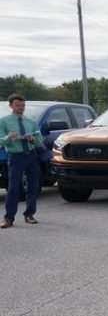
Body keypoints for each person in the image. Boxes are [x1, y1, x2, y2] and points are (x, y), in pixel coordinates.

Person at [1, 93, 42, 227]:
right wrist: (8, 137)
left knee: (32, 186)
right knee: (13, 187)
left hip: (31, 155)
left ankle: (29, 214)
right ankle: (9, 218)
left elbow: (40, 140)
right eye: (17, 105)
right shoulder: (4, 121)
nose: (21, 108)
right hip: (15, 157)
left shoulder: (31, 122)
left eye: (23, 105)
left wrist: (33, 139)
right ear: (11, 106)